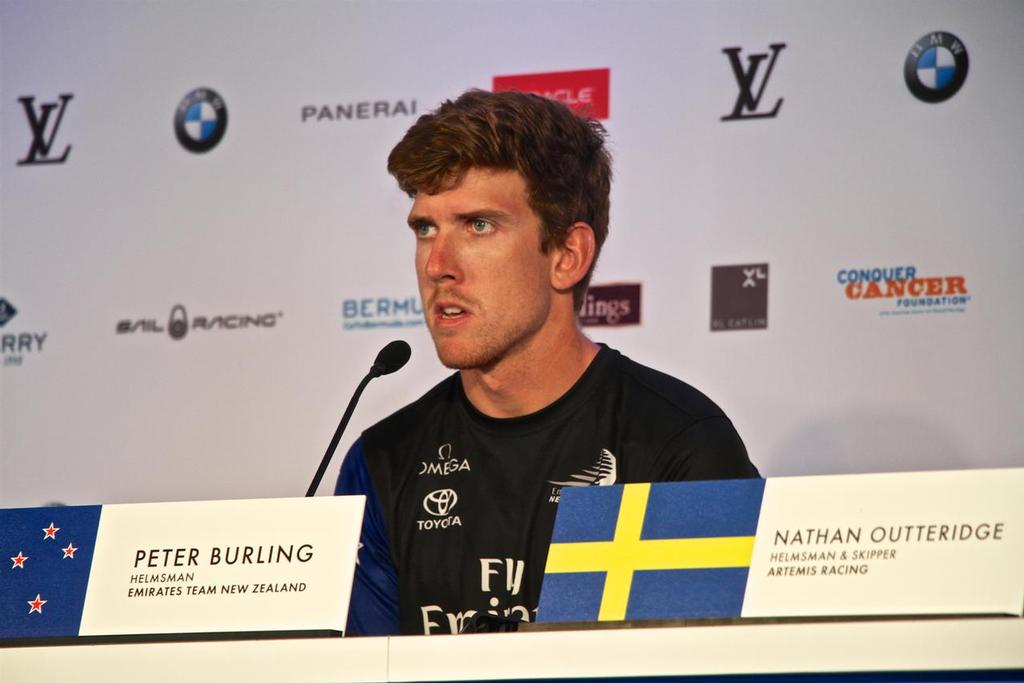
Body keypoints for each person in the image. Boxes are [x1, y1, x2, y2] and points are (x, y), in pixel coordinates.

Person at [335, 89, 759, 636]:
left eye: (478, 225)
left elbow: (704, 671)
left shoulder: (677, 444)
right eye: (425, 229)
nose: (438, 264)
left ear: (566, 256)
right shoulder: (382, 460)